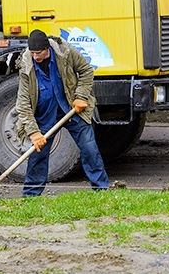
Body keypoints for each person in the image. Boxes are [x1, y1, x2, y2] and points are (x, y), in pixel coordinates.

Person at [15, 29, 109, 196]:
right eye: (33, 52)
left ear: (47, 49)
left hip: (71, 110)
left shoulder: (65, 52)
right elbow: (23, 104)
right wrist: (33, 131)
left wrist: (81, 96)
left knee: (90, 149)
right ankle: (30, 195)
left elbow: (87, 71)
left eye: (39, 52)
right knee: (38, 155)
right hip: (44, 114)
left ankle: (101, 189)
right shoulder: (26, 66)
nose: (35, 56)